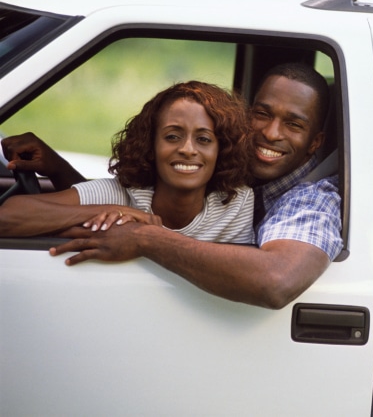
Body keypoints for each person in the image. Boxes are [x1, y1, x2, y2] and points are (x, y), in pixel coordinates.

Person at [1, 63, 343, 309]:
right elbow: (124, 198)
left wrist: (145, 237)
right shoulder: (241, 178)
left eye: (294, 124)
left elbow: (275, 280)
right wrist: (73, 179)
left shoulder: (257, 201)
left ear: (316, 142)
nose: (270, 132)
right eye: (262, 114)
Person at [0, 81, 254, 243]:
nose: (188, 149)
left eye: (204, 139)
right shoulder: (117, 195)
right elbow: (7, 216)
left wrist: (147, 239)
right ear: (150, 146)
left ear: (222, 150)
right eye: (172, 136)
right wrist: (112, 212)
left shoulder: (236, 204)